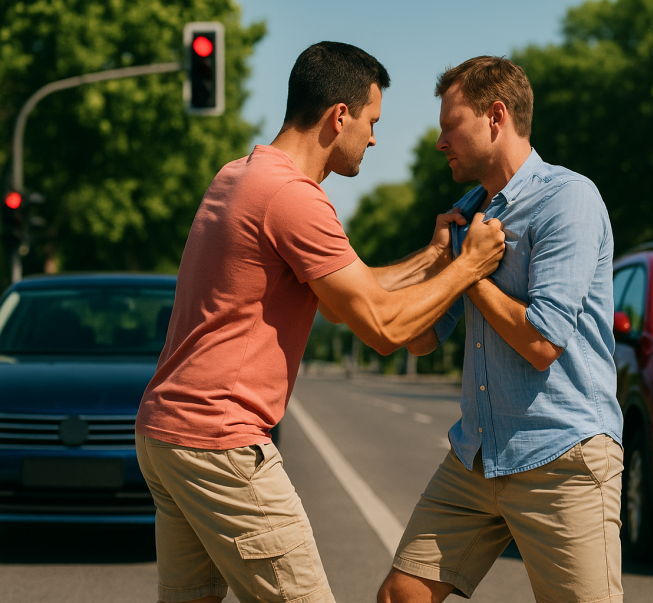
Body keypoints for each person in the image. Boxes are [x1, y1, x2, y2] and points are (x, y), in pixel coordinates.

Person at [134, 42, 505, 603]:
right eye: (372, 121)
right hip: (221, 441)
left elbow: (341, 298)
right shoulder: (293, 198)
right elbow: (380, 328)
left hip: (168, 435)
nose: (374, 138)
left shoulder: (242, 175)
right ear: (340, 115)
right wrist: (470, 266)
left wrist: (433, 258)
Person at [377, 56, 624, 603]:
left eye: (450, 125)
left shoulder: (568, 199)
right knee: (402, 595)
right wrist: (441, 259)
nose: (441, 141)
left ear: (495, 116)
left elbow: (541, 342)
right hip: (478, 454)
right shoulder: (467, 215)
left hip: (562, 455)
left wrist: (469, 276)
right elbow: (420, 339)